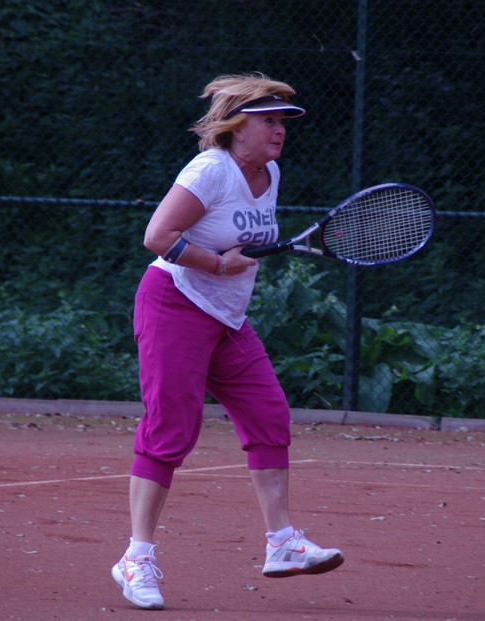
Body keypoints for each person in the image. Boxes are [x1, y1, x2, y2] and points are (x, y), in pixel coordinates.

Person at [111, 73, 344, 610]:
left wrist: (227, 267)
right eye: (268, 121)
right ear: (237, 127)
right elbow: (157, 236)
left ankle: (282, 543)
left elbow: (242, 242)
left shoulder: (270, 172)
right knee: (171, 429)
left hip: (226, 318)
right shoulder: (211, 171)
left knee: (269, 415)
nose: (279, 130)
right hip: (174, 305)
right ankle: (136, 558)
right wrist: (217, 264)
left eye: (283, 121)